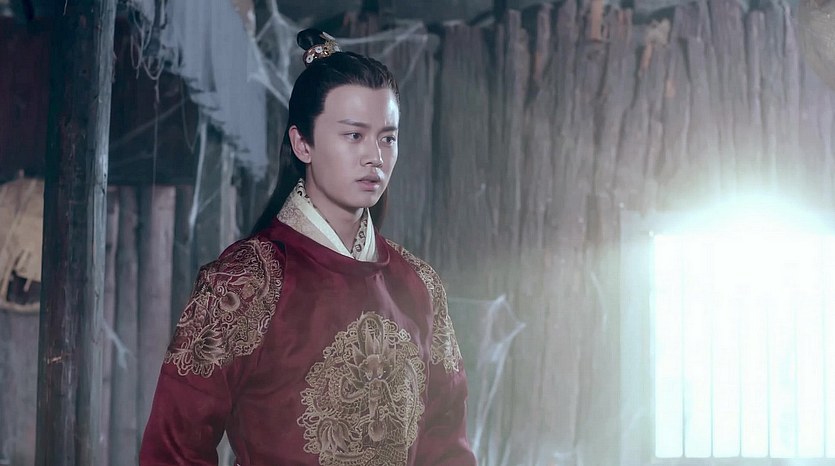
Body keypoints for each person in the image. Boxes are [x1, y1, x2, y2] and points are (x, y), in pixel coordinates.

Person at [139, 28, 477, 466]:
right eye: (354, 135)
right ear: (303, 143)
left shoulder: (419, 285)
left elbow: (447, 446)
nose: (375, 156)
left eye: (387, 138)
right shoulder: (245, 281)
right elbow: (173, 450)